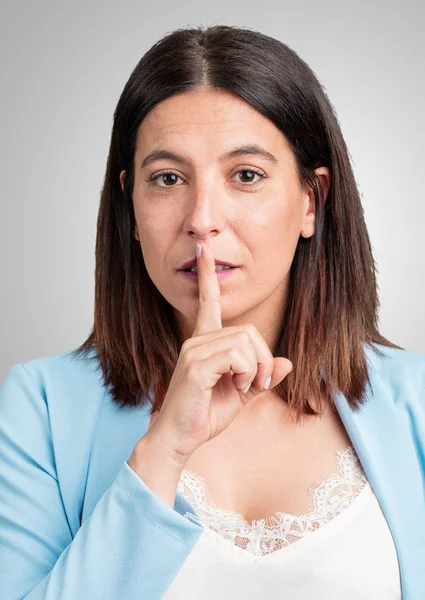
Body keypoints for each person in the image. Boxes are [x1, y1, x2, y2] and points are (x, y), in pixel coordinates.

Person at [0, 24, 424, 600]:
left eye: (245, 175)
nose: (202, 218)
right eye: (168, 179)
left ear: (311, 201)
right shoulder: (39, 408)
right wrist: (162, 450)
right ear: (130, 203)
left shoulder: (419, 403)